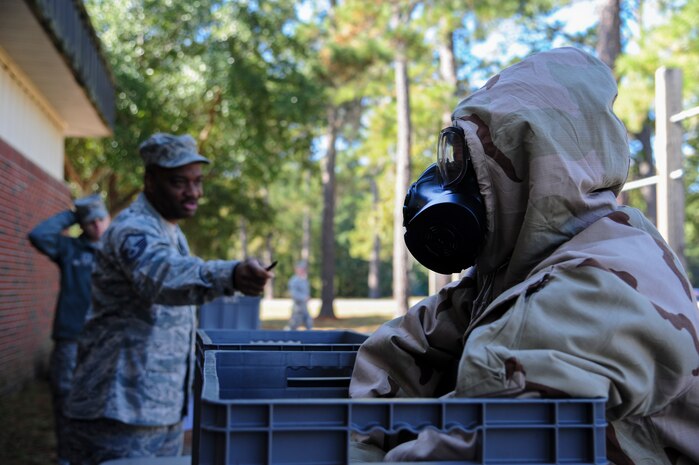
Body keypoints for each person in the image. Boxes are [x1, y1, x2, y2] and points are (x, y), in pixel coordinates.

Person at [349, 47, 699, 463]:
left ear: (533, 172)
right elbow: (405, 347)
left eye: (476, 165)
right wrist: (361, 443)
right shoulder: (532, 262)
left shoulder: (594, 290)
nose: (455, 183)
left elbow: (482, 441)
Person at [64, 133, 274, 465]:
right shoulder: (133, 230)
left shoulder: (170, 230)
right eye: (179, 182)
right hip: (119, 411)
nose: (194, 192)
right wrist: (230, 275)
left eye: (198, 181)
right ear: (150, 180)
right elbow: (162, 277)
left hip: (159, 408)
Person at [28, 194, 110, 465]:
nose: (97, 227)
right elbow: (39, 235)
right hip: (70, 337)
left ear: (109, 219)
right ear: (81, 225)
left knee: (103, 397)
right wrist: (74, 214)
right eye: (89, 222)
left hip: (106, 338)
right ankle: (67, 455)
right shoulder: (70, 249)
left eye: (100, 219)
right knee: (64, 395)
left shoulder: (118, 251)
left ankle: (97, 453)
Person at [285, 260, 313, 330]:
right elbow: (293, 294)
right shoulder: (294, 280)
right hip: (298, 308)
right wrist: (304, 298)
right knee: (293, 325)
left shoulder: (304, 279)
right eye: (301, 269)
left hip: (304, 307)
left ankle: (310, 338)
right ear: (297, 270)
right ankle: (286, 336)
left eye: (304, 269)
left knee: (309, 323)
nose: (303, 270)